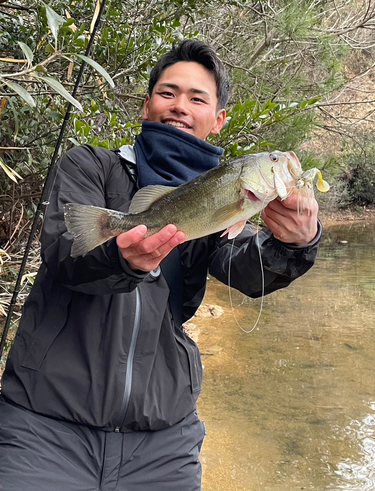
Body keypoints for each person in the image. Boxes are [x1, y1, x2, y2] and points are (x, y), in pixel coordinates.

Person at [0, 40, 321, 491]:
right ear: (146, 103)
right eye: (168, 93)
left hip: (162, 440)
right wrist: (121, 258)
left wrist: (296, 244)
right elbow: (64, 254)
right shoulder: (90, 165)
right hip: (44, 424)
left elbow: (245, 270)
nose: (180, 107)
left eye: (197, 98)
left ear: (218, 118)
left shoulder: (227, 195)